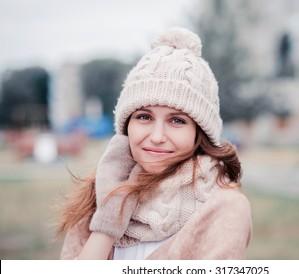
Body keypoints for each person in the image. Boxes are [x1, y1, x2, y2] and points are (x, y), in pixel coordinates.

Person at [56, 27, 252, 260]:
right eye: (144, 117)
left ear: (199, 132)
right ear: (127, 125)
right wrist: (108, 219)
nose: (157, 136)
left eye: (177, 120)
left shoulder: (224, 207)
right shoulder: (100, 191)